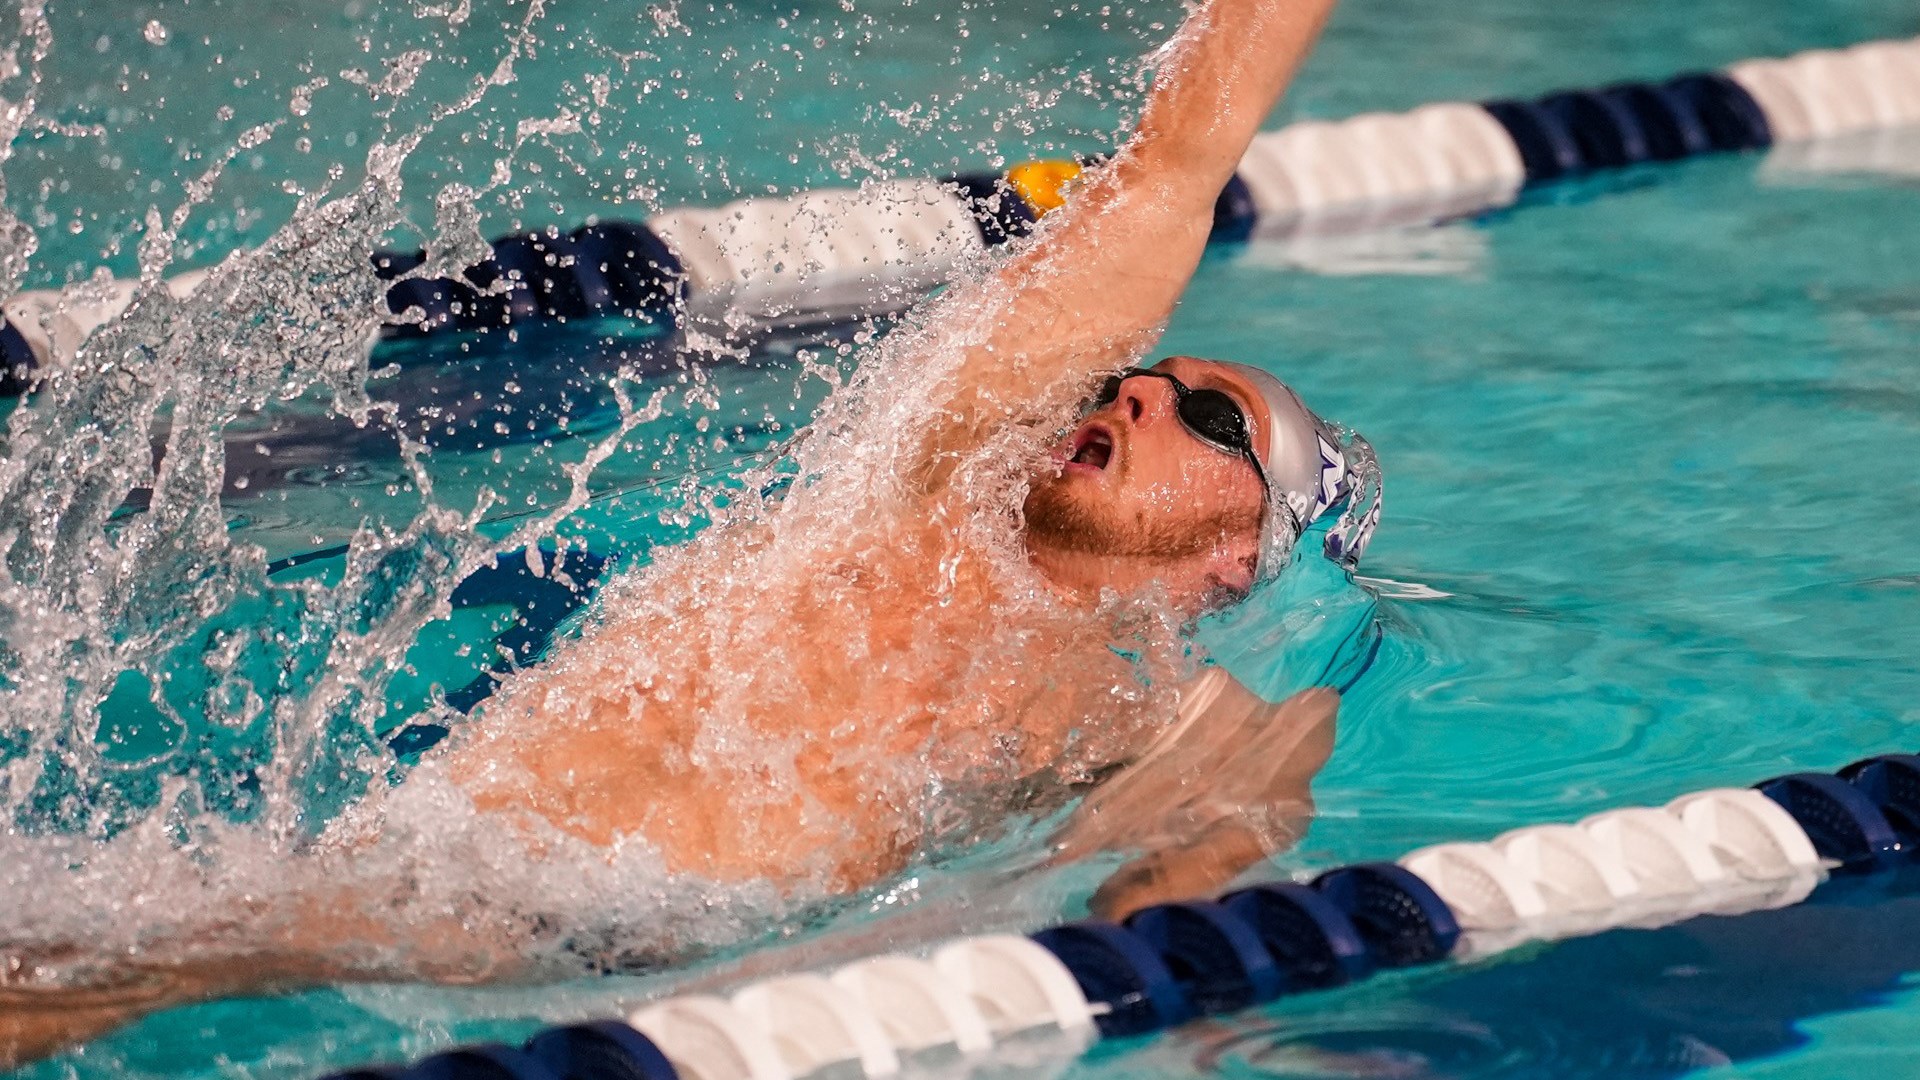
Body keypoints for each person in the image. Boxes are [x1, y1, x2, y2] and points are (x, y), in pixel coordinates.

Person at [0, 0, 1360, 1063]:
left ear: (1242, 558)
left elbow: (1179, 912)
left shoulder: (1172, 715)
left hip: (651, 952)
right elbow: (1176, 166)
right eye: (1156, 372)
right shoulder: (942, 478)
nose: (1145, 388)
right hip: (456, 869)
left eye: (1214, 421)